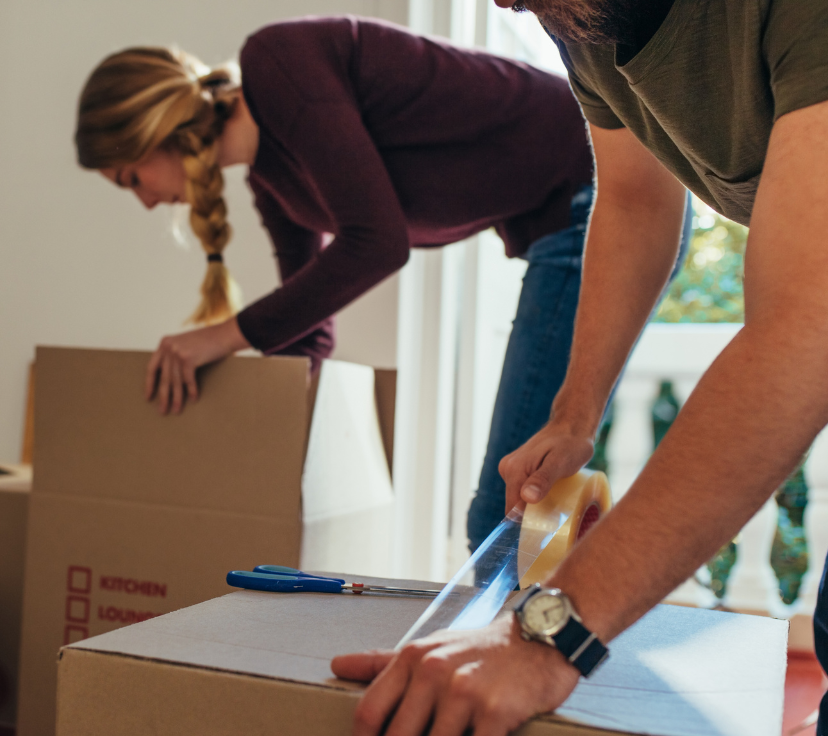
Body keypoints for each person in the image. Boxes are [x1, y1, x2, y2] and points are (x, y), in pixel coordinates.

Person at [330, 1, 828, 736]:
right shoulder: (586, 14)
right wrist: (574, 410)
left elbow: (803, 326)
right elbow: (637, 199)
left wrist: (549, 636)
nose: (508, 4)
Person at [75, 15, 688, 552]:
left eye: (131, 178)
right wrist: (253, 462)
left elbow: (377, 242)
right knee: (512, 520)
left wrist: (222, 337)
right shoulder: (274, 183)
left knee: (503, 522)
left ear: (155, 130)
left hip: (609, 202)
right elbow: (308, 338)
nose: (147, 201)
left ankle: (539, 669)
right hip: (567, 219)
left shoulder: (279, 65)